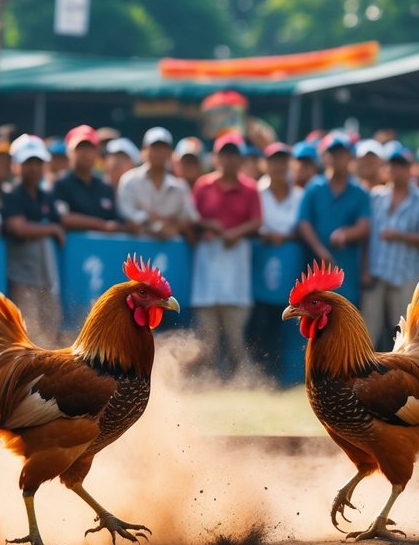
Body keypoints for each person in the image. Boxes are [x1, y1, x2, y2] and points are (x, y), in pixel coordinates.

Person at [191, 132, 262, 379]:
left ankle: (239, 377)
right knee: (207, 327)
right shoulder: (204, 185)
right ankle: (206, 377)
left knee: (234, 329)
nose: (229, 159)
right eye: (225, 154)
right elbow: (192, 218)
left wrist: (235, 232)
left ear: (241, 159)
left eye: (234, 154)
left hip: (236, 260)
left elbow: (257, 221)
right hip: (208, 259)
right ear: (216, 157)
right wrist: (210, 225)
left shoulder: (250, 188)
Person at [363, 145, 419, 349]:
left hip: (406, 275)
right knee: (367, 333)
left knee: (407, 336)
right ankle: (363, 370)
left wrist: (400, 236)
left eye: (401, 165)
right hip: (376, 272)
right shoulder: (376, 196)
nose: (396, 170)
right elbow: (367, 236)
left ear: (410, 168)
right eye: (393, 165)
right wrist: (365, 269)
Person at [2, 135, 65, 346]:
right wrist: (52, 229)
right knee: (25, 336)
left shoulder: (46, 196)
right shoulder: (11, 195)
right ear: (16, 165)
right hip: (21, 279)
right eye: (28, 162)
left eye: (38, 162)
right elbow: (17, 228)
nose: (34, 168)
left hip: (47, 278)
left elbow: (61, 219)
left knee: (50, 334)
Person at [248, 142, 304, 379]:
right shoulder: (256, 192)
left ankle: (286, 375)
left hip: (290, 264)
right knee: (261, 321)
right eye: (274, 161)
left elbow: (304, 228)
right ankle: (261, 374)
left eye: (283, 161)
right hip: (260, 263)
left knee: (287, 320)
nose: (279, 166)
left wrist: (286, 237)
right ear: (266, 164)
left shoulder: (300, 195)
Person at [295, 133, 370, 269]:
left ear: (350, 156)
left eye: (341, 154)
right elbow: (303, 222)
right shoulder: (314, 187)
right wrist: (321, 251)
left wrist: (346, 234)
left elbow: (364, 226)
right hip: (315, 266)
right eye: (332, 153)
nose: (336, 158)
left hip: (347, 266)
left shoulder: (360, 192)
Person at [117, 127, 197, 239]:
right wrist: (154, 223)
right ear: (144, 150)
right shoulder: (129, 180)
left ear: (170, 153)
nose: (160, 152)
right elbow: (126, 215)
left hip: (171, 248)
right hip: (135, 247)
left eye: (164, 148)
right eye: (155, 147)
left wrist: (173, 225)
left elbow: (190, 219)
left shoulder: (180, 187)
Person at [54, 125, 124, 233]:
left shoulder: (105, 187)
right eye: (80, 147)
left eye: (90, 148)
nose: (86, 153)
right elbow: (63, 217)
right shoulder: (61, 183)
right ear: (69, 152)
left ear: (97, 152)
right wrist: (101, 225)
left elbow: (116, 221)